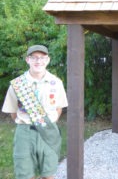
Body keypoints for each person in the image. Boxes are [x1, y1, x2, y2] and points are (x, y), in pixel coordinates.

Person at [2, 45, 68, 179]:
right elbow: (13, 112)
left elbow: (59, 108)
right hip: (25, 133)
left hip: (48, 131)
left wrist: (49, 123)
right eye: (34, 57)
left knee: (48, 174)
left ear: (48, 60)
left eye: (42, 57)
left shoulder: (56, 82)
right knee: (25, 174)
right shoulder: (17, 84)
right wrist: (26, 122)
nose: (38, 61)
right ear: (28, 60)